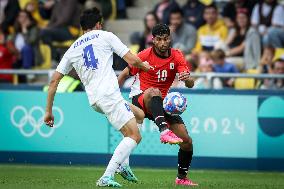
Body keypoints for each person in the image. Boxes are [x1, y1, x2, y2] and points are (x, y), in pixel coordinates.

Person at [44, 8, 151, 188]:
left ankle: (124, 165)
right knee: (134, 135)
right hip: (108, 94)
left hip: (94, 99)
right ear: (99, 24)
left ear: (81, 28)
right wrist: (145, 66)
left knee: (139, 114)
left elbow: (54, 80)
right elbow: (132, 60)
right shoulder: (105, 35)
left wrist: (48, 111)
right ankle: (106, 177)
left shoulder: (72, 48)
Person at [117, 24, 198, 186]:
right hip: (140, 98)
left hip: (159, 103)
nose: (163, 43)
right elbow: (124, 74)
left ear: (170, 38)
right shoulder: (144, 55)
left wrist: (187, 78)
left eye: (166, 39)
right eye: (159, 39)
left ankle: (181, 178)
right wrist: (114, 98)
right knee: (154, 91)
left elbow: (190, 84)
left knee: (186, 141)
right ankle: (164, 131)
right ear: (153, 40)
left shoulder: (177, 56)